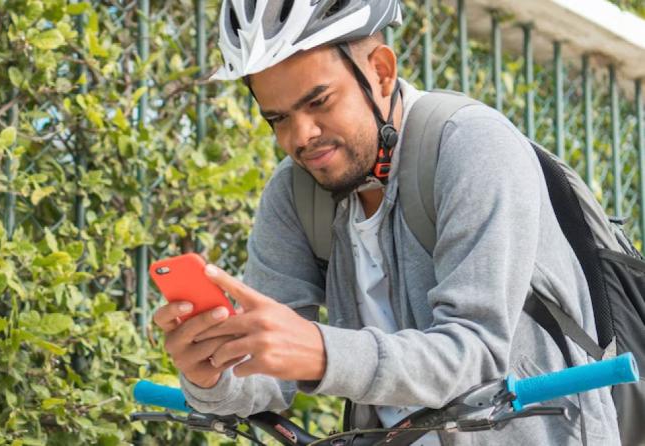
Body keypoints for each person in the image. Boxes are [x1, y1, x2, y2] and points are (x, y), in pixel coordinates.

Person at [152, 1, 621, 444]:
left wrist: (320, 350)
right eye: (278, 118)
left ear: (380, 71)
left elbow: (476, 353)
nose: (301, 136)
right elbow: (269, 377)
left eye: (319, 102)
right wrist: (211, 373)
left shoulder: (472, 147)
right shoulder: (294, 194)